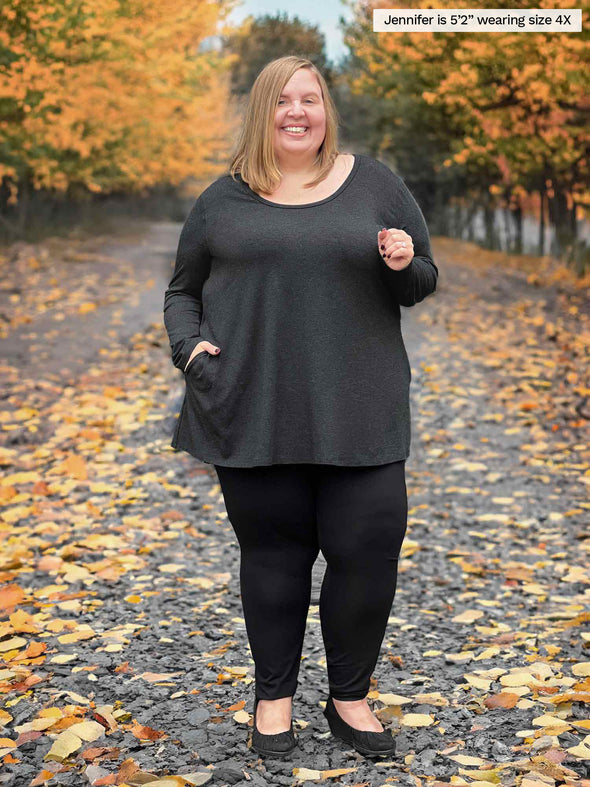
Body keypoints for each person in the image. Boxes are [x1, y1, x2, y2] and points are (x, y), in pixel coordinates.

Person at [163, 55, 438, 759]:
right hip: (253, 407)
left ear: (325, 109)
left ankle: (350, 699)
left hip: (362, 409)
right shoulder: (223, 199)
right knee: (275, 556)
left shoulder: (374, 183)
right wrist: (189, 349)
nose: (296, 111)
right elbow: (182, 290)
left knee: (366, 553)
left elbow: (423, 278)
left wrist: (404, 261)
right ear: (263, 111)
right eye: (282, 99)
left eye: (309, 98)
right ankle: (274, 697)